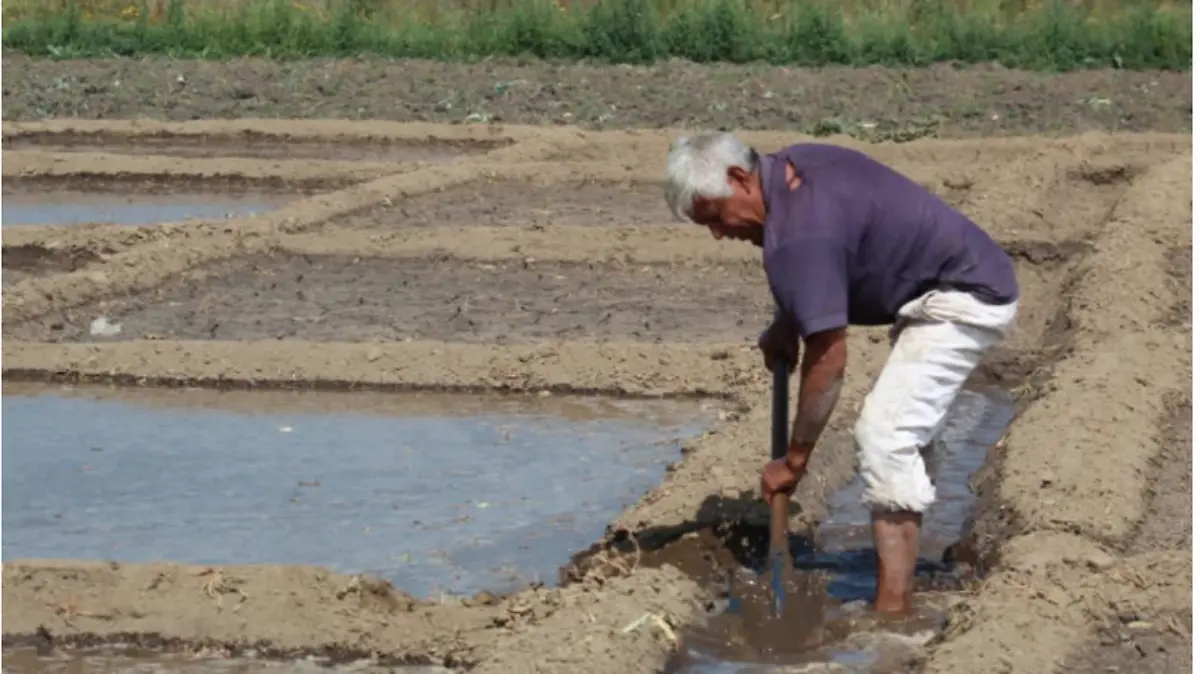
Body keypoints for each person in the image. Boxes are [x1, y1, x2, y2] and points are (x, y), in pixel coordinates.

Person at [663, 133, 1019, 615]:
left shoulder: (798, 237)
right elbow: (824, 258)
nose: (719, 234)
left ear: (738, 179)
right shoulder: (795, 167)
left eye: (714, 216)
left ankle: (893, 609)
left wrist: (794, 460)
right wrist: (787, 320)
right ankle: (916, 558)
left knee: (886, 435)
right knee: (905, 431)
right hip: (940, 280)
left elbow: (828, 361)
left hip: (963, 295)